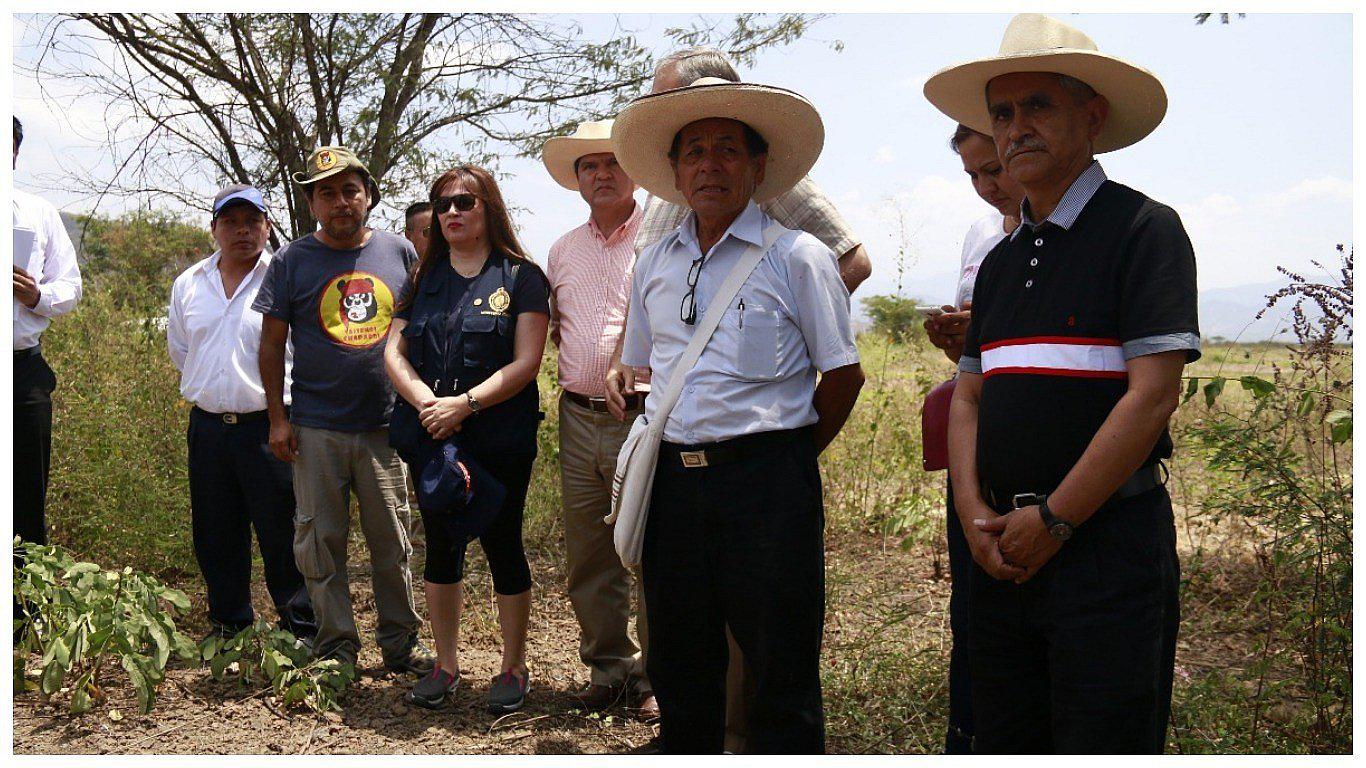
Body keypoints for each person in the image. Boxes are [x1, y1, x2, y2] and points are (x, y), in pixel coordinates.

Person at [925, 13, 1198, 753]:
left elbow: (1152, 396)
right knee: (1004, 735)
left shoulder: (1144, 231)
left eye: (1038, 105)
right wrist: (976, 514)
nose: (1016, 129)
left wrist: (1054, 522)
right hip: (999, 556)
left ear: (1092, 114)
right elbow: (971, 394)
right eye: (1003, 113)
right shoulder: (1004, 260)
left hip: (1105, 553)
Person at [604, 46, 874, 753]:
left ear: (758, 168)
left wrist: (784, 456)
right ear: (674, 171)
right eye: (693, 152)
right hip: (674, 487)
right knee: (681, 663)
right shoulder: (655, 265)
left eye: (728, 150)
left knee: (781, 666)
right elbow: (644, 366)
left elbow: (843, 377)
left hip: (769, 487)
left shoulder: (798, 257)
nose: (709, 164)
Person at [253, 146, 433, 673]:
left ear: (369, 195)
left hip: (386, 428)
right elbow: (270, 345)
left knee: (393, 542)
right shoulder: (291, 261)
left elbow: (419, 333)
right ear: (311, 202)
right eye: (327, 192)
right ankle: (336, 646)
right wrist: (278, 419)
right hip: (315, 428)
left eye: (350, 190)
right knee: (319, 544)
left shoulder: (401, 254)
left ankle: (400, 643)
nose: (341, 202)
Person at [384, 164, 550, 714]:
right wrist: (426, 403)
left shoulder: (521, 277)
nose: (451, 212)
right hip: (434, 436)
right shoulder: (420, 280)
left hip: (499, 437)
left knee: (504, 544)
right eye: (443, 204)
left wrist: (466, 403)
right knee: (442, 545)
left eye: (464, 202)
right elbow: (394, 352)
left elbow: (527, 362)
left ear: (488, 209)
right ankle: (446, 665)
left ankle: (512, 667)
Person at [540, 121, 658, 719]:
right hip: (577, 414)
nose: (601, 174)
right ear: (577, 180)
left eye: (612, 162)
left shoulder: (664, 232)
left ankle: (657, 674)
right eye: (588, 166)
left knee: (653, 544)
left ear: (634, 169)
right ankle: (609, 667)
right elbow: (556, 327)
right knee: (591, 550)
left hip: (646, 414)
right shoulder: (563, 249)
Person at [167, 184, 316, 642]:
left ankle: (300, 631)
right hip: (209, 427)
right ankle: (230, 629)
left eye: (252, 221)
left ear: (267, 226)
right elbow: (182, 351)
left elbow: (302, 355)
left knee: (283, 534)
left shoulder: (285, 277)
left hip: (271, 426)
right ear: (214, 228)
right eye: (230, 222)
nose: (242, 231)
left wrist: (282, 420)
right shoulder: (189, 283)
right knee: (215, 532)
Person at [921, 123, 1025, 754]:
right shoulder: (984, 235)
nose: (988, 188)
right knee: (977, 617)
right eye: (974, 176)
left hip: (1046, 454)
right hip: (980, 448)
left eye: (996, 170)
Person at [12, 115, 82, 608]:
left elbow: (70, 288)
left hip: (21, 372)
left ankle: (23, 610)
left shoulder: (37, 213)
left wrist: (37, 294)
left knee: (24, 494)